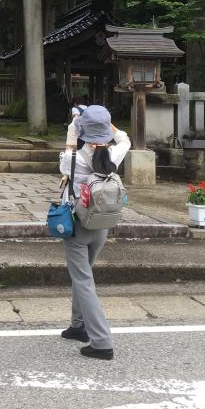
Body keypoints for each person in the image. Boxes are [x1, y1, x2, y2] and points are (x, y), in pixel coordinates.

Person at [59, 105, 131, 361]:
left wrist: (74, 127)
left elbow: (66, 159)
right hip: (102, 224)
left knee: (83, 280)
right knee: (84, 275)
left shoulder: (72, 159)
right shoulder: (115, 154)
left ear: (82, 132)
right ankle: (78, 326)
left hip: (78, 226)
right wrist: (106, 125)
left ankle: (101, 342)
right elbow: (125, 138)